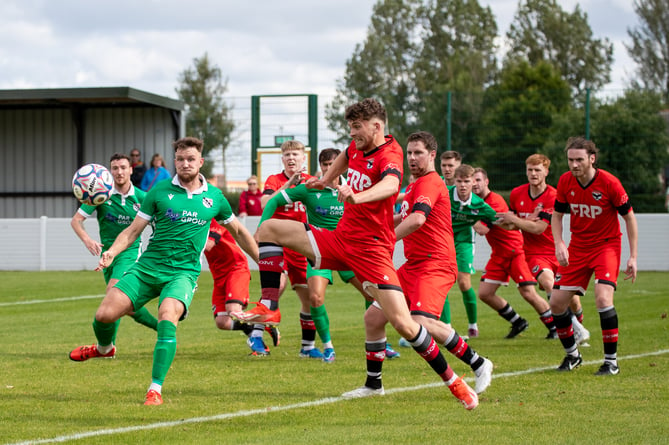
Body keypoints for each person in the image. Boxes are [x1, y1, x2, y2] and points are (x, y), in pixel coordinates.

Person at [231, 98, 479, 409]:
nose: (352, 133)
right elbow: (345, 158)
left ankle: (455, 382)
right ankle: (270, 306)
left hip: (371, 250)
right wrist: (323, 180)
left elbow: (390, 185)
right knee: (269, 229)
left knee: (404, 323)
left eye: (357, 127)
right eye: (350, 127)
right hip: (341, 239)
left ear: (377, 126)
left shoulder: (391, 153)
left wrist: (357, 197)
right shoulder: (356, 147)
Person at [69, 136, 259, 406]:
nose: (185, 164)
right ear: (175, 162)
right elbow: (133, 231)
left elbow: (239, 231)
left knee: (167, 316)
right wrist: (111, 252)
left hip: (183, 273)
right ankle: (104, 349)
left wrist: (263, 262)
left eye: (190, 159)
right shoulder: (158, 192)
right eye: (180, 159)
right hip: (147, 267)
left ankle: (154, 389)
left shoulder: (215, 197)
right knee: (104, 315)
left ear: (200, 162)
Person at [254, 148, 399, 363]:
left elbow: (380, 206)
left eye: (333, 165)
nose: (329, 169)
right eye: (325, 165)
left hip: (352, 249)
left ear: (343, 167)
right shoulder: (311, 188)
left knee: (374, 295)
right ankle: (328, 346)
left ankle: (382, 342)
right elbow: (272, 201)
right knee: (314, 297)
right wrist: (261, 227)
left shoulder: (355, 189)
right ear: (320, 167)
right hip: (320, 249)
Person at [383, 131, 493, 396]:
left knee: (422, 322)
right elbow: (401, 217)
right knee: (374, 316)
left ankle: (478, 363)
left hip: (435, 264)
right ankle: (373, 385)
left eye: (418, 152)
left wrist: (385, 242)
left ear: (432, 155)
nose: (411, 157)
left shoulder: (430, 183)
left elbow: (417, 220)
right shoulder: (414, 186)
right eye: (409, 153)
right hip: (414, 264)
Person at [549, 137, 638, 375]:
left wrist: (633, 257)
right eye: (570, 160)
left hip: (606, 246)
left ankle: (611, 362)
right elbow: (557, 216)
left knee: (602, 298)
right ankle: (573, 356)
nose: (574, 164)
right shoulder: (565, 181)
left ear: (592, 158)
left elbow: (629, 217)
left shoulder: (609, 183)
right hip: (578, 247)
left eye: (579, 159)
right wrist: (560, 243)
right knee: (556, 303)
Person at [495, 154, 590, 345]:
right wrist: (503, 221)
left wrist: (515, 219)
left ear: (546, 171)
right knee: (549, 283)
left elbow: (539, 229)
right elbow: (515, 226)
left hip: (556, 250)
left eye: (537, 170)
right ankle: (577, 330)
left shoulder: (553, 196)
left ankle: (578, 329)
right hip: (534, 254)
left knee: (572, 299)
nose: (533, 173)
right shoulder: (517, 194)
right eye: (529, 170)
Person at [240, 140, 318, 358]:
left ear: (304, 158)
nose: (291, 158)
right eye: (287, 155)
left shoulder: (312, 182)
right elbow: (266, 202)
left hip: (301, 245)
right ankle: (255, 335)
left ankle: (308, 347)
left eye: (295, 154)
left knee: (310, 297)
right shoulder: (274, 180)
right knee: (276, 287)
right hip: (276, 244)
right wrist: (289, 183)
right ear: (282, 159)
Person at [70, 153, 158, 341]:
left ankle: (107, 347)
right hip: (107, 257)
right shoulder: (100, 195)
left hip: (130, 254)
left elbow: (160, 224)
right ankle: (161, 328)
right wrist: (88, 240)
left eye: (123, 167)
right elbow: (76, 221)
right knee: (125, 306)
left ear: (131, 170)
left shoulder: (143, 198)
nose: (119, 172)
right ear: (110, 172)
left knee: (113, 294)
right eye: (115, 168)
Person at [472, 167, 557, 339]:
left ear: (486, 182)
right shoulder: (475, 202)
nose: (474, 184)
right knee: (485, 293)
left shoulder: (493, 201)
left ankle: (554, 327)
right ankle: (517, 321)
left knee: (528, 293)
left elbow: (482, 229)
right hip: (499, 253)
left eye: (478, 180)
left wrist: (461, 214)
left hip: (515, 251)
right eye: (471, 181)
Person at [204, 218, 279, 354]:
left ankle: (259, 346)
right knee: (222, 322)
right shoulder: (194, 222)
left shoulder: (214, 219)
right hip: (218, 275)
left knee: (233, 310)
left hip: (236, 268)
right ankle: (257, 325)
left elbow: (209, 244)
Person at [440, 164, 498, 339]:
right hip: (443, 241)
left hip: (464, 242)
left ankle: (473, 325)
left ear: (473, 182)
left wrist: (519, 222)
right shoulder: (445, 193)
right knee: (442, 283)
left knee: (464, 283)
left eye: (466, 181)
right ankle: (447, 327)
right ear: (454, 182)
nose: (463, 185)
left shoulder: (479, 204)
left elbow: (498, 219)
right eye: (459, 181)